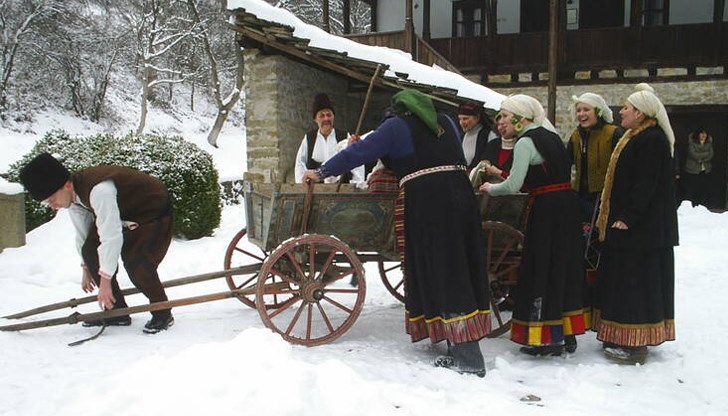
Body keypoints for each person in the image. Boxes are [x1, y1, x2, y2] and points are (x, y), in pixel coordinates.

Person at [304, 89, 491, 377]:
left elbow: (360, 152)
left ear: (399, 109)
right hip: (461, 195)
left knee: (444, 269)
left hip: (430, 200)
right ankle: (460, 345)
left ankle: (469, 359)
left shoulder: (396, 126)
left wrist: (321, 171)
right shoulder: (445, 121)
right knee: (459, 266)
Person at [479, 94, 587, 356]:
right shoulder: (549, 136)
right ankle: (566, 334)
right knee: (561, 268)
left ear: (520, 117)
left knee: (542, 269)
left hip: (547, 210)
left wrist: (490, 188)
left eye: (504, 115)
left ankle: (546, 339)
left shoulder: (525, 141)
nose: (500, 120)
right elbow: (538, 174)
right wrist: (499, 173)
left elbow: (514, 185)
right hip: (565, 206)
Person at [19, 153, 175, 334]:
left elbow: (111, 235)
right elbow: (84, 235)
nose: (52, 206)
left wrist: (105, 282)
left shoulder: (99, 191)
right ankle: (117, 313)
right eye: (47, 203)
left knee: (138, 265)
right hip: (122, 212)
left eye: (52, 199)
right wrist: (86, 267)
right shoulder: (72, 197)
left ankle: (162, 313)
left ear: (66, 185)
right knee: (89, 251)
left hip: (151, 210)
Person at [594, 83, 678, 364]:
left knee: (637, 284)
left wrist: (627, 217)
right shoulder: (636, 136)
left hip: (643, 230)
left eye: (627, 108)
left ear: (641, 113)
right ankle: (621, 334)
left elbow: (646, 184)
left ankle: (635, 345)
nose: (621, 112)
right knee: (626, 281)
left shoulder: (651, 139)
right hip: (637, 226)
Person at [294, 93, 365, 184]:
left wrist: (356, 184)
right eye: (321, 116)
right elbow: (300, 164)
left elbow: (355, 161)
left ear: (333, 116)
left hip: (340, 192)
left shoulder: (344, 137)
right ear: (315, 119)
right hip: (315, 193)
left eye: (329, 115)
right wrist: (301, 185)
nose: (326, 119)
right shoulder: (309, 139)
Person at [457, 100, 497, 173]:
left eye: (465, 118)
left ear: (477, 118)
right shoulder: (461, 136)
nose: (461, 122)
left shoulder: (488, 136)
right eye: (460, 119)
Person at [682, 127, 714, 208]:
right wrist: (703, 155)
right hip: (693, 170)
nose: (704, 135)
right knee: (692, 189)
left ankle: (702, 206)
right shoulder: (692, 142)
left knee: (703, 189)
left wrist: (701, 157)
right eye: (702, 133)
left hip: (705, 170)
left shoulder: (708, 143)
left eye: (705, 133)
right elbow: (693, 154)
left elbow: (711, 154)